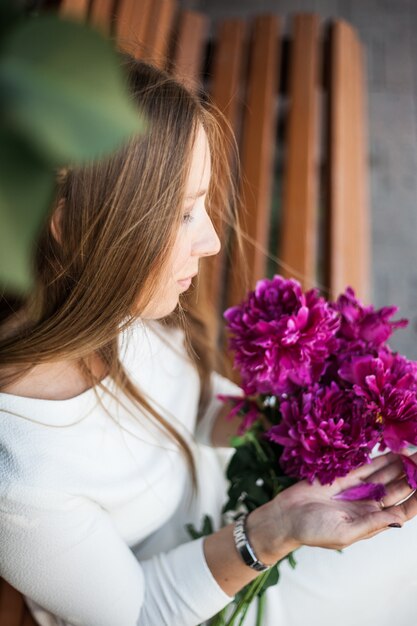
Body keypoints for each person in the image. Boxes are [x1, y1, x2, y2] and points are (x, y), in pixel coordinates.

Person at [0, 58, 416, 626]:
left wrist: (319, 422)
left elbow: (194, 406)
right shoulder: (18, 478)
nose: (214, 241)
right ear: (70, 225)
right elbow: (141, 612)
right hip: (209, 591)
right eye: (184, 213)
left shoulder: (101, 305)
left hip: (235, 508)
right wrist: (276, 531)